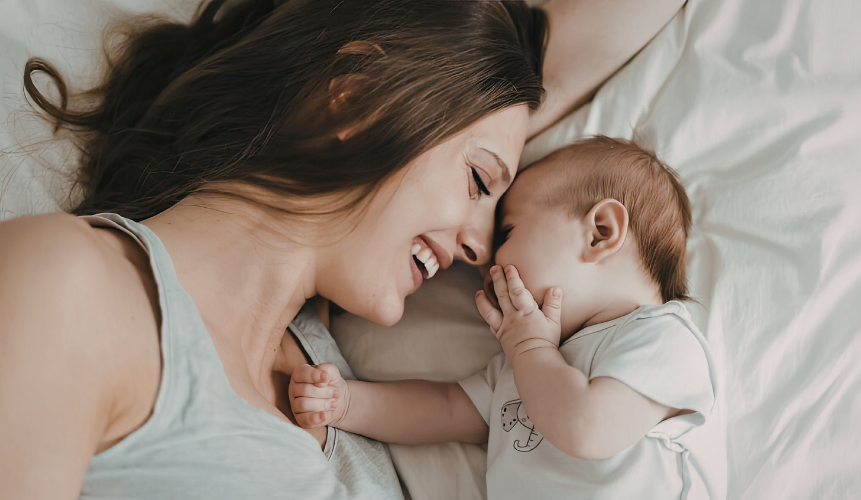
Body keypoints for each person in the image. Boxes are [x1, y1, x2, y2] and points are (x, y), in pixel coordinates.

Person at [0, 0, 687, 497]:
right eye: (479, 181)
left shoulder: (318, 352)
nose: (481, 247)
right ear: (359, 99)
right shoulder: (68, 285)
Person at [289, 137, 722, 499]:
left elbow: (586, 428)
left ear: (600, 232)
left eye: (509, 233)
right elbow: (446, 409)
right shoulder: (526, 359)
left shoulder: (662, 340)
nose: (488, 265)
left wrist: (531, 348)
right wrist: (349, 404)